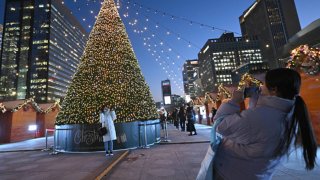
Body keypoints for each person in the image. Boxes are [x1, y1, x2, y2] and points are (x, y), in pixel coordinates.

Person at [212, 68, 317, 179]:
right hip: (258, 174)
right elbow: (256, 128)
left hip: (232, 174)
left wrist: (233, 102)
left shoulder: (259, 117)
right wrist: (257, 98)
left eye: (264, 84)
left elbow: (220, 125)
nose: (261, 87)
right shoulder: (292, 114)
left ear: (274, 89)